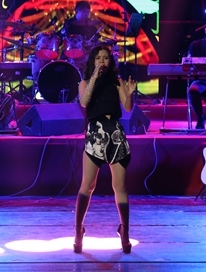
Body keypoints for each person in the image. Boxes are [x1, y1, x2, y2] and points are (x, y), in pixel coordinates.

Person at [74, 45, 136, 254]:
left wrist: (129, 94)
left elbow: (127, 107)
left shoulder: (117, 82)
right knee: (87, 185)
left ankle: (124, 231)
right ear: (92, 62)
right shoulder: (85, 83)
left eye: (106, 58)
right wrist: (94, 76)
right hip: (96, 133)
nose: (102, 61)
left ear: (111, 62)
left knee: (120, 187)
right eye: (98, 58)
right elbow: (84, 102)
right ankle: (78, 231)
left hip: (115, 133)